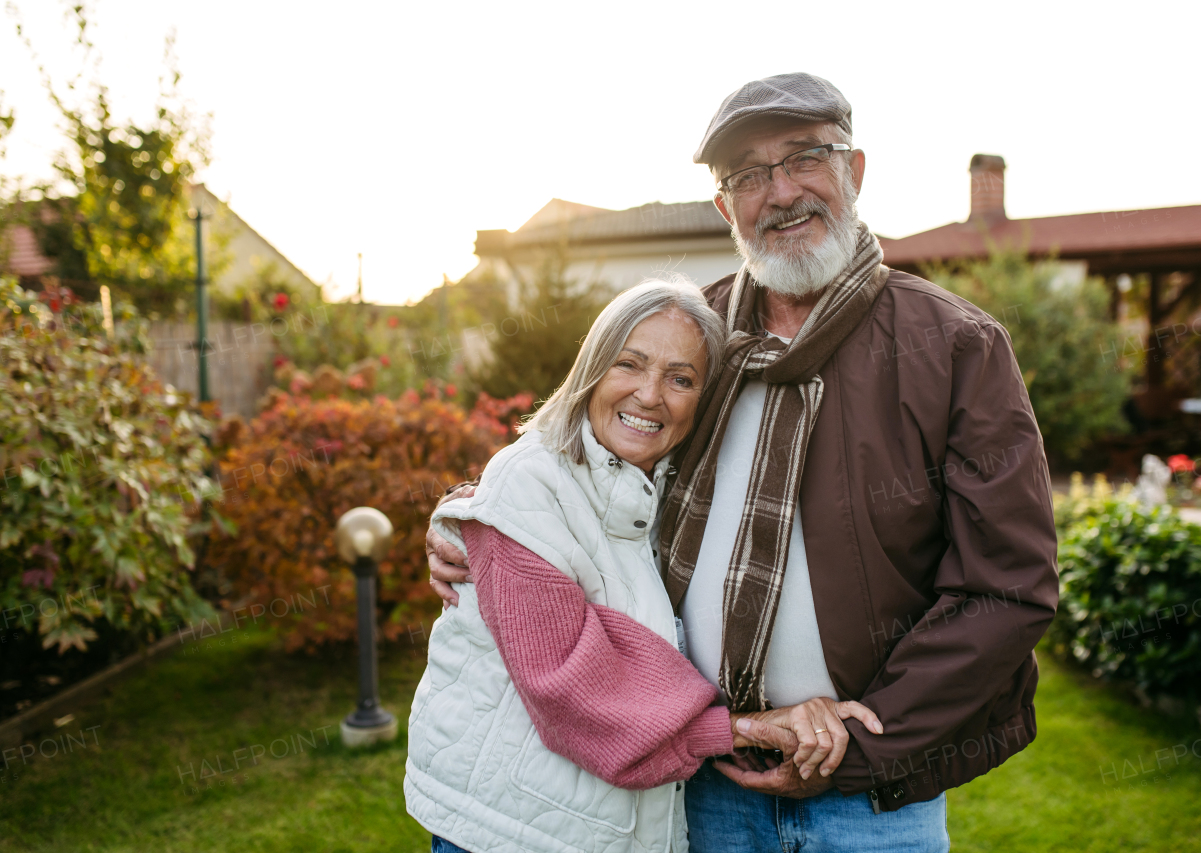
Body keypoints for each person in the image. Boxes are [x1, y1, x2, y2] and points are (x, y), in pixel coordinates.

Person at [427, 73, 1060, 853]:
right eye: (749, 175)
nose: (782, 191)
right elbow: (586, 458)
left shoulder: (956, 346)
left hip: (870, 802)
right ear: (726, 207)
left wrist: (863, 744)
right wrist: (481, 520)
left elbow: (1006, 586)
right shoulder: (691, 336)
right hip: (701, 785)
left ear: (854, 172)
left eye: (804, 158)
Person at [404, 278, 886, 853]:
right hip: (513, 831)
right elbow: (573, 690)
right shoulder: (529, 483)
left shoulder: (664, 490)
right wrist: (740, 729)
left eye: (680, 378)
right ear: (592, 369)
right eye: (628, 364)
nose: (650, 395)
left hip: (599, 825)